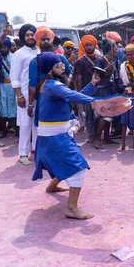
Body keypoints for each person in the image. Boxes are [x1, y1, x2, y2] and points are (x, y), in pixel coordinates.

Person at [32, 52, 101, 220]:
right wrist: (97, 102)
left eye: (62, 64)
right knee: (78, 167)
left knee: (62, 162)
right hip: (54, 138)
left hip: (54, 136)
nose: (62, 66)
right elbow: (72, 95)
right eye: (57, 65)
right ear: (49, 71)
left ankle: (52, 186)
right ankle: (71, 208)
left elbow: (71, 98)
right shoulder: (53, 85)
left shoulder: (52, 85)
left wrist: (92, 84)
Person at [10, 24, 40, 165]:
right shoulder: (19, 54)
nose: (30, 37)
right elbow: (14, 76)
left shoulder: (40, 51)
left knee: (37, 124)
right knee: (25, 124)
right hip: (25, 94)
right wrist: (19, 95)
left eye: (32, 34)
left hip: (39, 93)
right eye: (27, 35)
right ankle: (23, 154)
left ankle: (37, 150)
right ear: (23, 37)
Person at [73, 36, 98, 141]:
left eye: (90, 45)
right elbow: (78, 78)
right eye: (86, 45)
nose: (88, 47)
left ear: (94, 46)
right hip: (86, 91)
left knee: (98, 113)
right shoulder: (80, 61)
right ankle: (91, 135)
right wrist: (79, 94)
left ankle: (98, 133)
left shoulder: (99, 59)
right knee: (88, 113)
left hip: (98, 90)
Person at [0, 36, 17, 139]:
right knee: (2, 107)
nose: (3, 49)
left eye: (4, 47)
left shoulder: (14, 58)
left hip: (12, 86)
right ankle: (3, 130)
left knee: (14, 106)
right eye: (1, 47)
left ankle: (17, 129)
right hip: (2, 86)